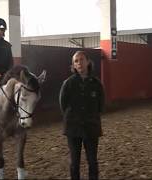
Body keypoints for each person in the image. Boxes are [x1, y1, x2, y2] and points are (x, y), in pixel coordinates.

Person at [59, 51, 105, 180]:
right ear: (73, 65)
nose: (79, 63)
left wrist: (91, 117)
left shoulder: (96, 83)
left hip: (91, 127)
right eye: (76, 61)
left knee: (92, 161)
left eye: (81, 60)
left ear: (88, 62)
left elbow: (101, 105)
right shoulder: (68, 84)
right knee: (75, 162)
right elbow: (63, 105)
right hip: (73, 128)